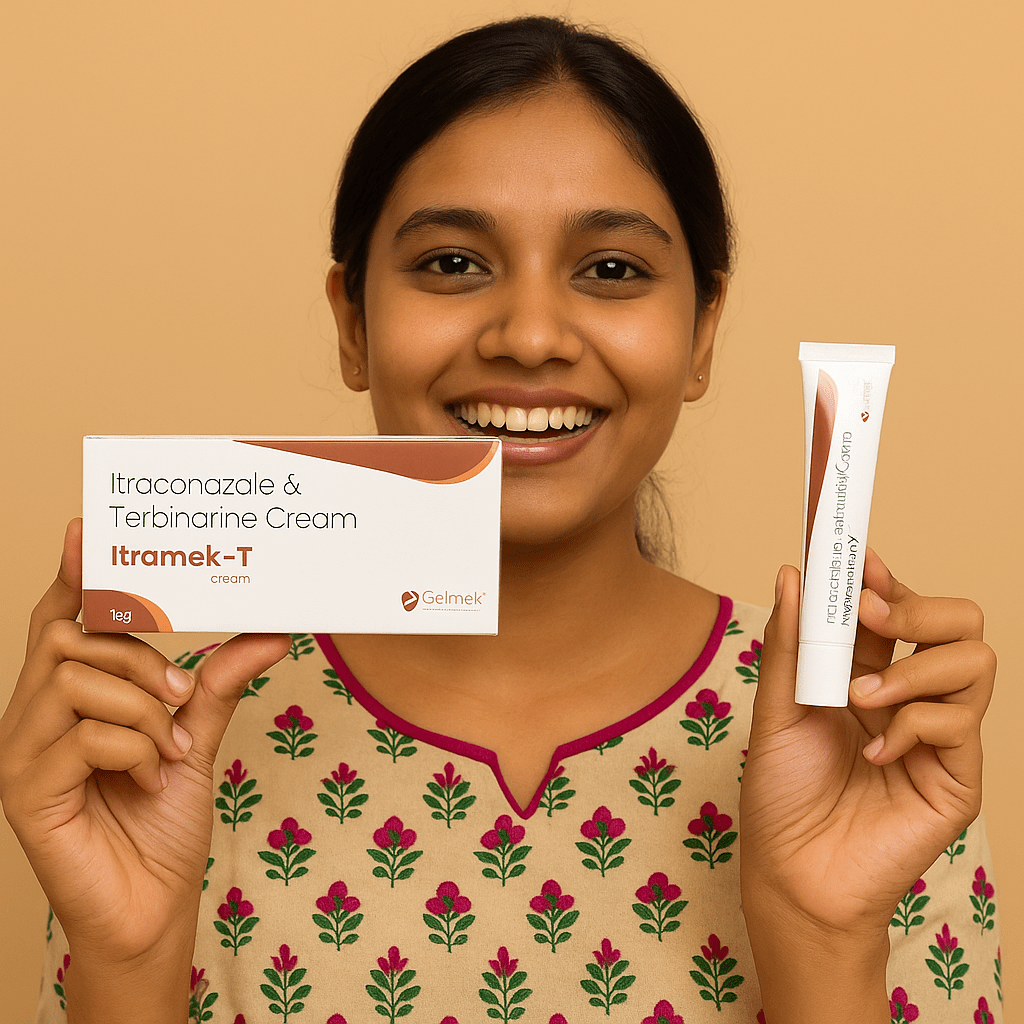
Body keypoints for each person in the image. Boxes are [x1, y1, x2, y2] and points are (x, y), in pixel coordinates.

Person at [1, 15, 999, 1024]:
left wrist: (822, 938)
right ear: (353, 323)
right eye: (451, 263)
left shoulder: (861, 748)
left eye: (611, 269)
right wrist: (126, 959)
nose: (529, 337)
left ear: (702, 332)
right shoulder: (166, 750)